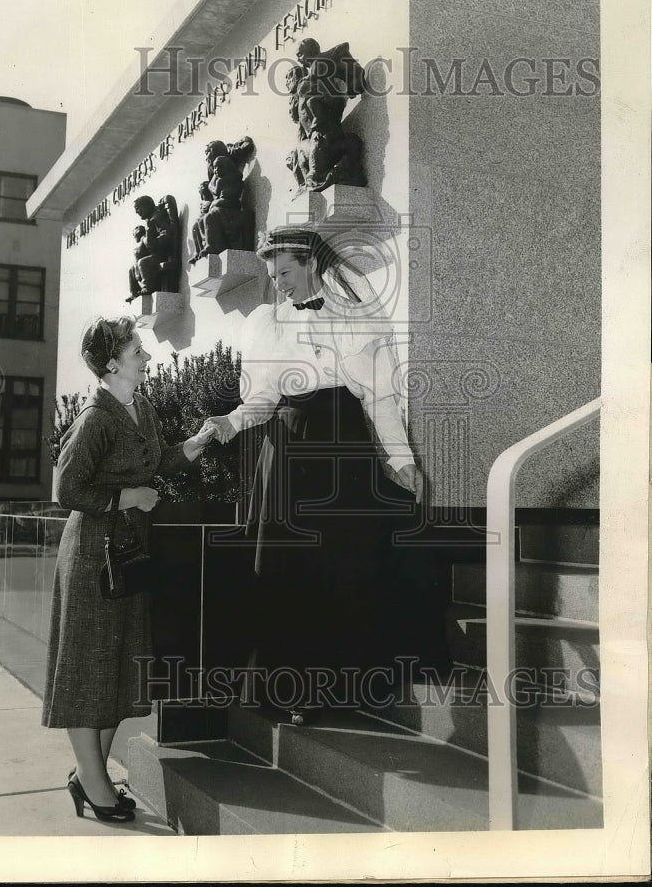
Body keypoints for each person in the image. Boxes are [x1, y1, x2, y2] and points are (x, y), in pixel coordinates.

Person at [208, 227, 423, 724]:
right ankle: (290, 690)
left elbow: (381, 398)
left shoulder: (356, 315)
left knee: (343, 562)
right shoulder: (265, 324)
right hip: (286, 450)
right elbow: (259, 401)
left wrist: (402, 458)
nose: (278, 283)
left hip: (343, 446)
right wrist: (231, 422)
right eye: (272, 275)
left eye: (284, 272)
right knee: (289, 570)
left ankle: (348, 685)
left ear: (309, 264)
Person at [41, 316, 215, 824]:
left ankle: (88, 776)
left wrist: (192, 447)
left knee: (117, 668)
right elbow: (67, 491)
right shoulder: (95, 419)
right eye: (137, 349)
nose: (146, 355)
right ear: (113, 362)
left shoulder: (139, 407)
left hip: (128, 558)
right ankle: (93, 785)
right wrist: (127, 498)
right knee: (87, 670)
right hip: (94, 558)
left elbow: (155, 461)